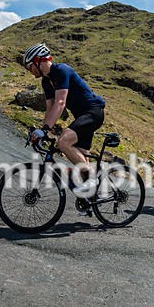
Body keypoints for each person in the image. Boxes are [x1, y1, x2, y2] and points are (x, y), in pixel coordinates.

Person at [22, 43, 106, 202]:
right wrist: (42, 130)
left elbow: (60, 103)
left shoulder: (61, 70)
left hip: (93, 112)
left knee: (63, 142)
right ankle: (91, 200)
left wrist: (45, 130)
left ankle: (93, 179)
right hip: (81, 117)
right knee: (81, 160)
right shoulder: (46, 82)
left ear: (38, 61)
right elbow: (49, 108)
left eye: (29, 66)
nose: (29, 70)